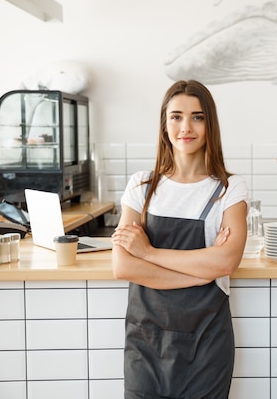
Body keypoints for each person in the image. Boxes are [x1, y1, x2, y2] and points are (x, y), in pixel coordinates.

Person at [111, 79, 248, 399]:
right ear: (164, 123)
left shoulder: (230, 189)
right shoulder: (140, 186)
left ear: (209, 124)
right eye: (176, 116)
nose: (186, 126)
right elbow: (123, 267)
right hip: (146, 342)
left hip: (207, 342)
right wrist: (203, 269)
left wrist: (147, 251)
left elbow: (227, 261)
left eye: (197, 116)